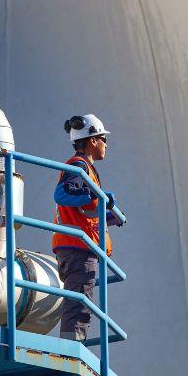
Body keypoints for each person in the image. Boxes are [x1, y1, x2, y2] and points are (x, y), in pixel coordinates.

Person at [52, 114, 124, 342]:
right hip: (78, 248)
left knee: (80, 300)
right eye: (103, 139)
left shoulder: (85, 170)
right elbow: (62, 194)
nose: (106, 144)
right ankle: (71, 351)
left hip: (76, 246)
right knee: (79, 304)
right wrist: (96, 194)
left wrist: (107, 212)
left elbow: (83, 209)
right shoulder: (79, 167)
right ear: (92, 140)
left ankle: (72, 347)